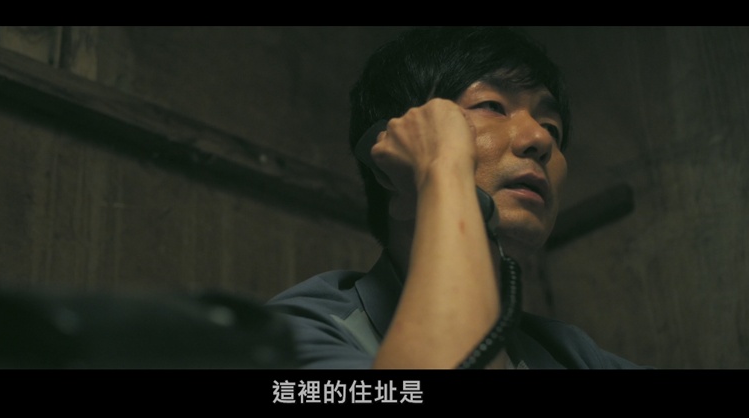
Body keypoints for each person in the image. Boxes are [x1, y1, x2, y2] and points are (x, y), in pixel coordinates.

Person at [267, 26, 644, 369]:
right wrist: (443, 167)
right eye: (492, 106)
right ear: (389, 156)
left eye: (552, 128)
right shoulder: (291, 334)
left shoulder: (572, 355)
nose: (540, 139)